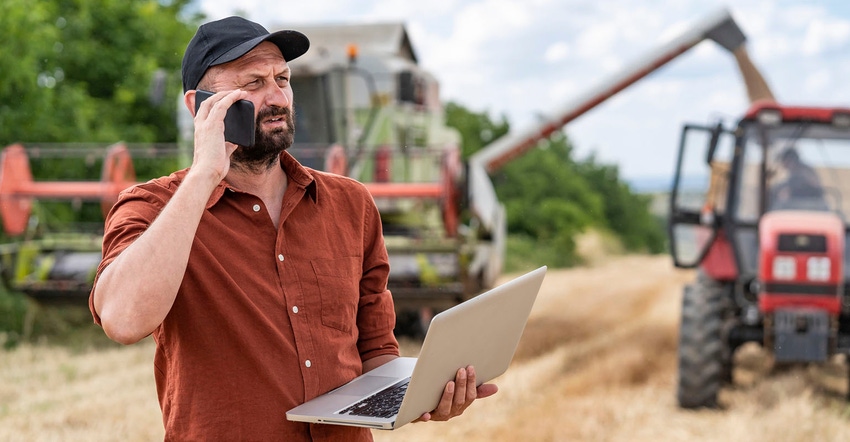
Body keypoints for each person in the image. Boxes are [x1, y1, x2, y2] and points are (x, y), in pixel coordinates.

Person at [88, 16, 496, 441]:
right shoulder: (152, 207)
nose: (277, 96)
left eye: (282, 78)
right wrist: (204, 175)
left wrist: (427, 393)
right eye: (253, 84)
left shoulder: (351, 204)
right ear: (198, 105)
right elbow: (123, 319)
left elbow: (375, 350)